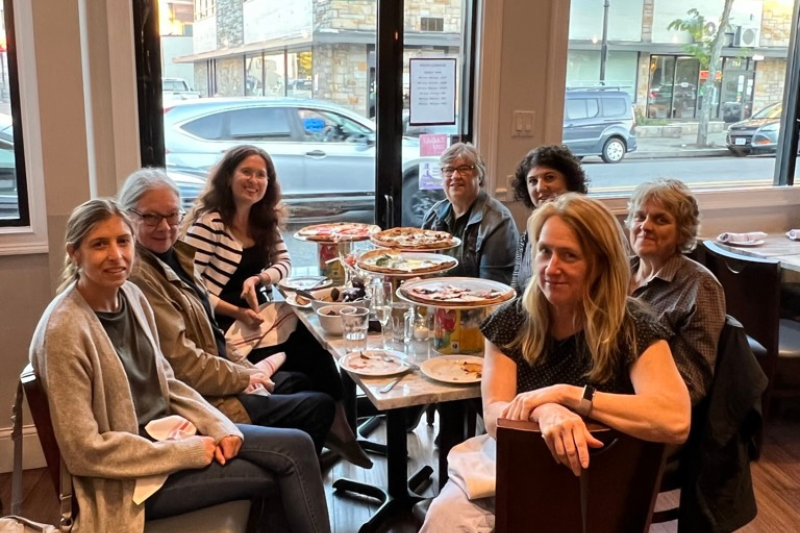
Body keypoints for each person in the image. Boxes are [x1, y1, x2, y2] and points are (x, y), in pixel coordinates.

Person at [30, 199, 331, 533]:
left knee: (298, 445)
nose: (116, 255)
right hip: (130, 480)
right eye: (99, 244)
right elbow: (84, 452)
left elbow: (168, 382)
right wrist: (185, 452)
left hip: (173, 432)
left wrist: (219, 426)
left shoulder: (131, 296)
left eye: (123, 241)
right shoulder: (64, 331)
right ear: (74, 253)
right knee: (282, 469)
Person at [420, 194, 691, 532]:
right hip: (518, 469)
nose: (551, 268)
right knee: (445, 517)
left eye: (570, 256)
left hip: (598, 477)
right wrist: (544, 410)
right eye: (545, 251)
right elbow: (493, 415)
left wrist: (570, 396)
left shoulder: (632, 325)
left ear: (600, 263)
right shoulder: (510, 319)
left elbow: (675, 418)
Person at [118, 169, 337, 459]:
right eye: (151, 217)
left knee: (302, 372)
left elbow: (210, 332)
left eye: (172, 215)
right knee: (317, 403)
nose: (165, 226)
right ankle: (294, 463)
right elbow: (185, 366)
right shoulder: (144, 275)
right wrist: (245, 376)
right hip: (203, 400)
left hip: (221, 361)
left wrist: (248, 371)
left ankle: (296, 460)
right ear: (127, 216)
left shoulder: (178, 256)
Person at [181, 146, 372, 468]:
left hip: (256, 322)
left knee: (312, 338)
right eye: (246, 172)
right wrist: (236, 311)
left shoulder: (263, 220)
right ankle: (334, 433)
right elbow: (190, 289)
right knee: (309, 347)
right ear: (228, 177)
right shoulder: (210, 224)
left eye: (261, 175)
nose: (254, 180)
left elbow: (284, 262)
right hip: (221, 331)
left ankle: (330, 433)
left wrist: (259, 278)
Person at [627, 178, 726, 405]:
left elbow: (692, 383)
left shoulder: (699, 286)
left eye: (660, 220)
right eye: (639, 217)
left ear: (682, 232)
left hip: (648, 406)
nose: (645, 226)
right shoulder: (615, 272)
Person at [422, 142, 519, 284]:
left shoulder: (498, 221)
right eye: (449, 170)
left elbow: (491, 287)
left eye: (464, 169)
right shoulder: (434, 214)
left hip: (476, 296)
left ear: (479, 176)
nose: (455, 176)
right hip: (433, 293)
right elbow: (422, 268)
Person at [509, 145, 589, 293]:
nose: (540, 187)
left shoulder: (589, 228)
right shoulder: (528, 232)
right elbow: (516, 288)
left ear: (569, 180)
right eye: (533, 181)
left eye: (549, 177)